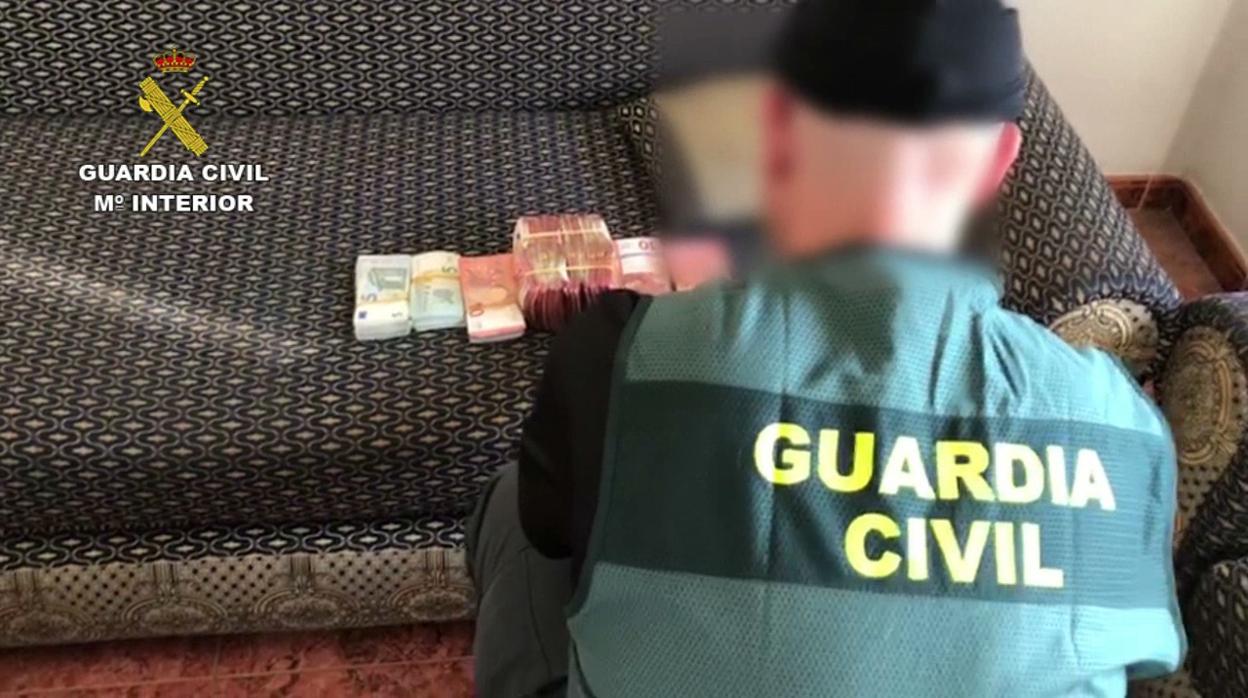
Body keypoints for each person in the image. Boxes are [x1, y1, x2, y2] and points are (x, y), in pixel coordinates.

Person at [468, 0, 1186, 695]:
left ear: (777, 132)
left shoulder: (622, 351)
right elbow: (1137, 659)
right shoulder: (1120, 418)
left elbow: (550, 528)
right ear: (1000, 161)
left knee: (515, 504)